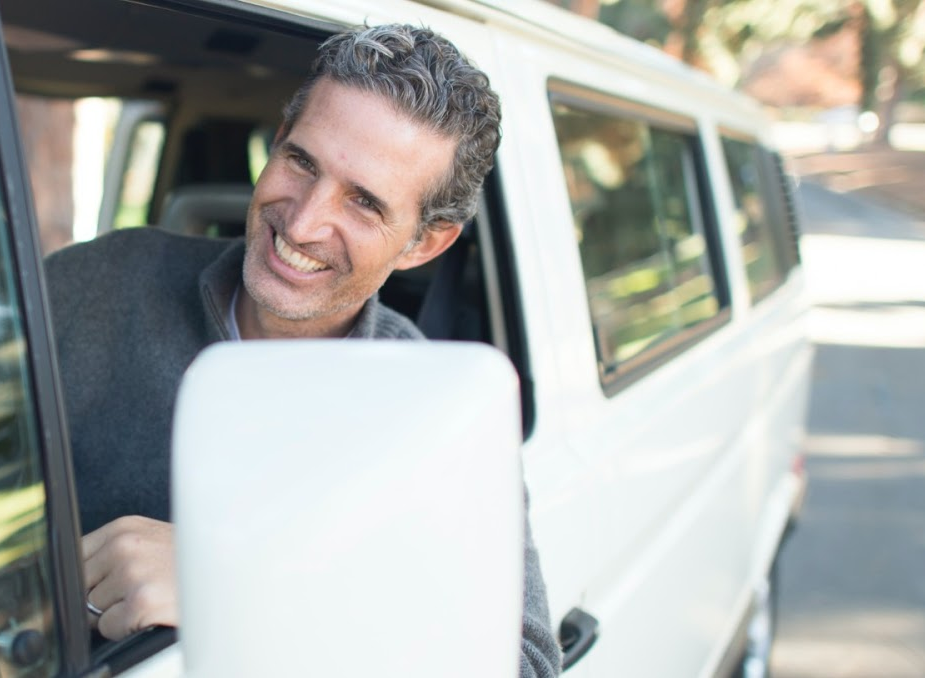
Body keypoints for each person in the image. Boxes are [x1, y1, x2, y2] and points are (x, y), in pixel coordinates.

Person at [44, 24, 562, 677]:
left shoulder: (438, 416)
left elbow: (527, 663)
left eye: (365, 202)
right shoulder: (102, 281)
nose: (304, 221)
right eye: (301, 161)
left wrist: (239, 589)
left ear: (423, 245)